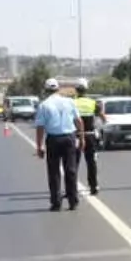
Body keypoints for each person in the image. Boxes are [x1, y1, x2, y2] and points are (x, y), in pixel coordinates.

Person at [34, 78, 84, 212]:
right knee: (71, 170)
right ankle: (73, 200)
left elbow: (40, 127)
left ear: (46, 90)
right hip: (69, 138)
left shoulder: (44, 105)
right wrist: (82, 138)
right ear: (58, 88)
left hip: (53, 139)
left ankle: (56, 202)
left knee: (54, 172)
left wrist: (39, 146)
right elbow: (78, 121)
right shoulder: (69, 101)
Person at [72, 78, 102, 195]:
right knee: (91, 162)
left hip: (76, 136)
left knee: (73, 163)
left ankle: (72, 188)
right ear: (86, 90)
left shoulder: (72, 103)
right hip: (90, 136)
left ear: (76, 90)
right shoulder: (92, 102)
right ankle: (93, 186)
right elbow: (101, 116)